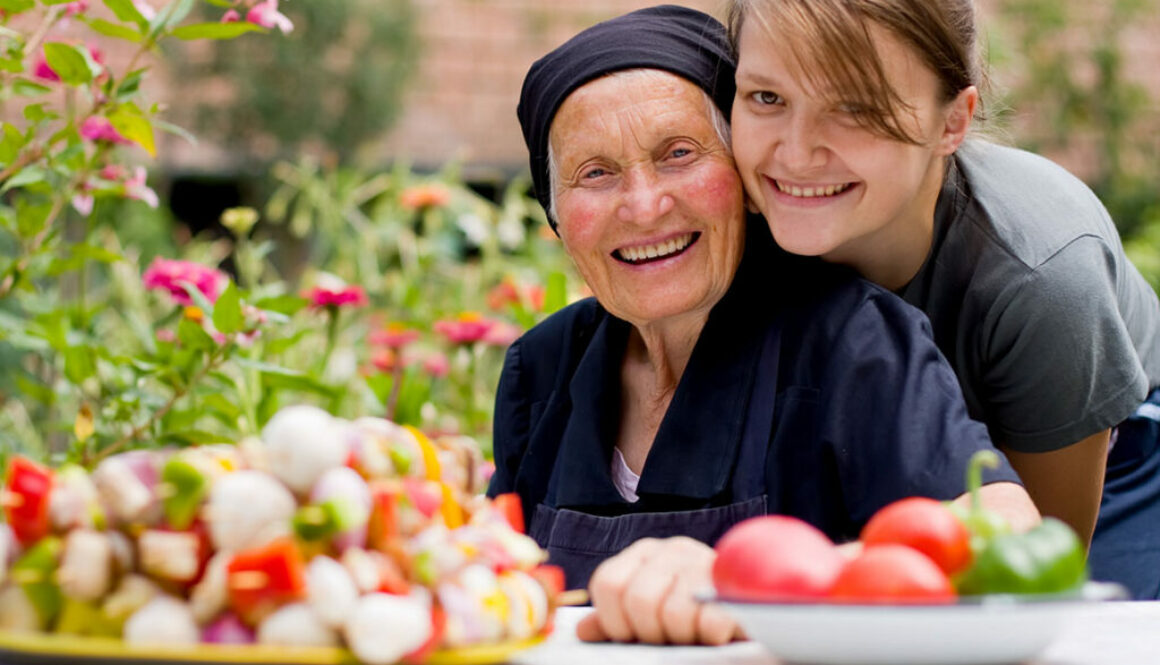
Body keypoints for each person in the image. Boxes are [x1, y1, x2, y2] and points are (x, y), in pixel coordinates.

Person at [488, 5, 1039, 645]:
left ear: (743, 178)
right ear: (557, 216)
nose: (643, 207)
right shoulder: (543, 368)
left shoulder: (849, 339)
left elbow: (1006, 531)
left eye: (679, 154)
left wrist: (761, 580)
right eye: (596, 174)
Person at [725, 0, 1160, 599]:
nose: (796, 154)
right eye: (767, 98)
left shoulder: (1042, 279)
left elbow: (1030, 568)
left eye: (856, 106)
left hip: (1111, 459)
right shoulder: (735, 215)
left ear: (953, 122)